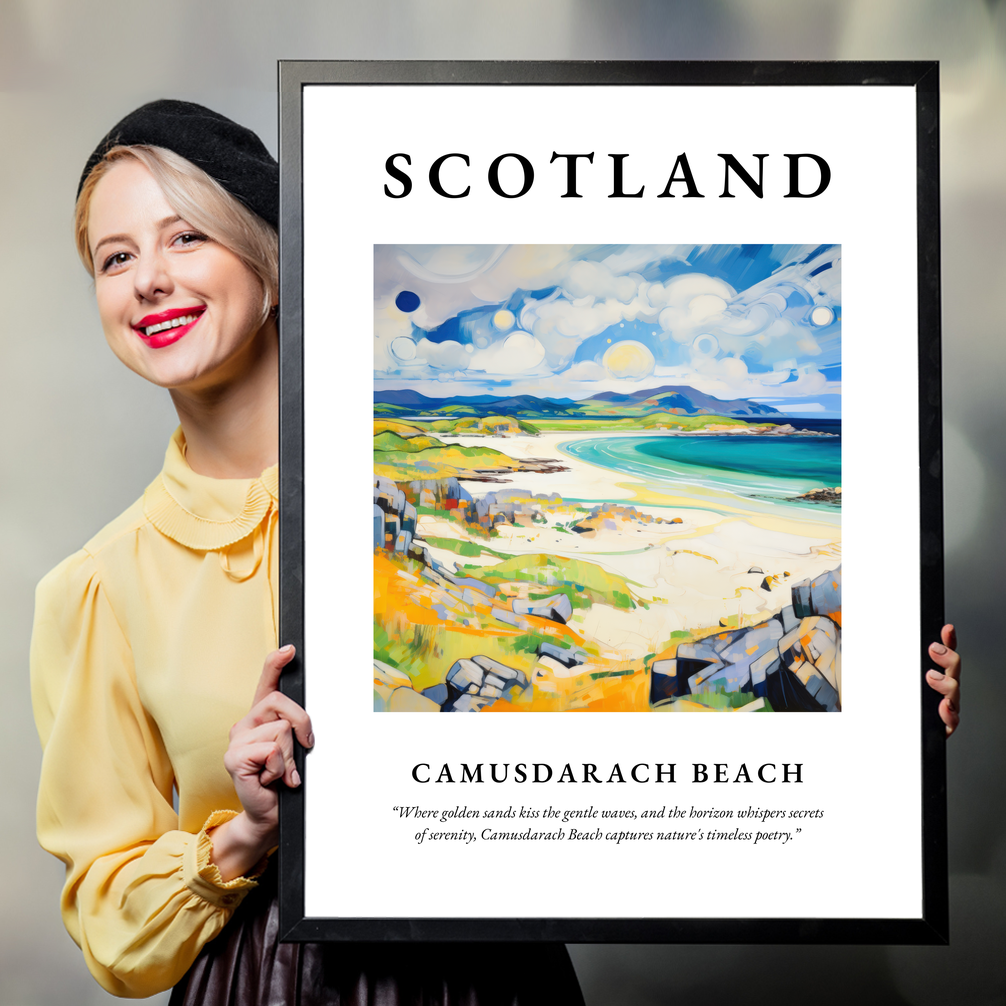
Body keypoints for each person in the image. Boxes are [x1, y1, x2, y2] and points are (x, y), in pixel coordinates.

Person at [30, 100, 585, 1004]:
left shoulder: (437, 493)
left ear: (273, 264)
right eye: (116, 257)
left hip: (494, 973)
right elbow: (110, 924)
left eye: (185, 239)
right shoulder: (97, 587)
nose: (148, 281)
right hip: (263, 982)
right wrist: (245, 832)